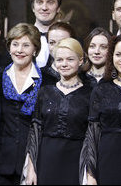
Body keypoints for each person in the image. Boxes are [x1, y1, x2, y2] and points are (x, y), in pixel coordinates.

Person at [0, 23, 43, 185]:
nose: (19, 50)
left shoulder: (47, 82)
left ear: (35, 50)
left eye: (26, 45)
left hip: (32, 162)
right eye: (15, 44)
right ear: (9, 48)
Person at [80, 33, 121, 185]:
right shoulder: (101, 89)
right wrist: (90, 175)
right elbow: (92, 135)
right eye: (118, 54)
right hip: (107, 164)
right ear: (111, 56)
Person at [22, 38, 92, 185]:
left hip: (75, 161)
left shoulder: (90, 94)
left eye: (70, 59)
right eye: (59, 60)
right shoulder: (44, 92)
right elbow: (35, 132)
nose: (64, 64)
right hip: (45, 160)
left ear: (80, 60)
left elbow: (91, 136)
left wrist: (89, 173)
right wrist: (31, 169)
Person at [30, 0, 62, 68]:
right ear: (33, 7)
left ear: (58, 8)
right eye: (40, 2)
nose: (44, 8)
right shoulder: (20, 38)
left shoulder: (68, 39)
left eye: (50, 2)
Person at [40, 21, 75, 86]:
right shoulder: (39, 76)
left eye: (62, 42)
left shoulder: (84, 77)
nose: (56, 47)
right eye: (52, 43)